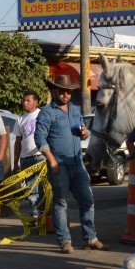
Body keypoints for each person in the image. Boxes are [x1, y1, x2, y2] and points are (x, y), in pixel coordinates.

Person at [33, 74, 104, 254]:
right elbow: (39, 139)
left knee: (87, 200)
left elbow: (84, 134)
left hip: (77, 163)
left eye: (69, 92)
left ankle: (90, 238)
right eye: (62, 91)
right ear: (54, 91)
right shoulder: (47, 113)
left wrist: (84, 133)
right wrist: (52, 161)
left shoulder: (75, 110)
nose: (66, 95)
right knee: (61, 203)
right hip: (59, 166)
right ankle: (65, 241)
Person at [12, 90, 45, 218]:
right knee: (31, 190)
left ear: (36, 102)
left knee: (43, 188)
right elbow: (18, 142)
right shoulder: (20, 119)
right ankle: (34, 217)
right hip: (26, 159)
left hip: (41, 156)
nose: (24, 103)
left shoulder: (43, 115)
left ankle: (44, 215)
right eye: (23, 100)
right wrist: (16, 162)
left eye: (28, 100)